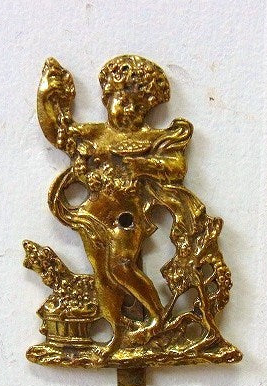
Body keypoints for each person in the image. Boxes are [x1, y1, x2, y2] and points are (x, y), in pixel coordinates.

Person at [37, 55, 193, 359]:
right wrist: (48, 94)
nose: (130, 110)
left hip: (128, 217)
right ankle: (117, 334)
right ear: (107, 99)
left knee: (121, 266)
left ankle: (157, 316)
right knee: (104, 276)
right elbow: (58, 132)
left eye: (139, 107)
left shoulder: (152, 139)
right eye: (124, 101)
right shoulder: (93, 135)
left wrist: (142, 165)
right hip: (93, 215)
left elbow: (176, 167)